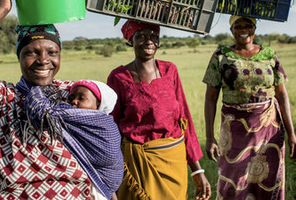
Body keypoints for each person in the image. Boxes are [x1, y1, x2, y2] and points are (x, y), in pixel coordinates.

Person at [0, 0, 123, 200]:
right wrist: (1, 10)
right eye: (31, 52)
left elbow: (99, 156)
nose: (43, 60)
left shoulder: (72, 96)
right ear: (19, 56)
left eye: (52, 52)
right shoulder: (2, 97)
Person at [107, 19, 211, 200]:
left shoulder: (170, 70)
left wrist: (197, 170)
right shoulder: (118, 77)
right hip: (140, 165)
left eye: (154, 36)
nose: (149, 41)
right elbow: (111, 127)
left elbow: (184, 119)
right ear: (130, 40)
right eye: (141, 36)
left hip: (174, 162)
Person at [203, 15, 296, 199]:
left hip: (269, 129)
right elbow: (210, 98)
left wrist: (292, 133)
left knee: (267, 179)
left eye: (248, 25)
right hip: (234, 130)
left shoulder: (269, 54)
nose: (244, 29)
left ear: (254, 29)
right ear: (231, 30)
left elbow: (282, 94)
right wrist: (209, 137)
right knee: (234, 179)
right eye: (238, 26)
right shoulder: (221, 56)